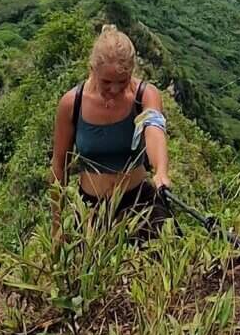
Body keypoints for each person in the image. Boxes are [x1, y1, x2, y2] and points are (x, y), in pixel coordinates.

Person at [51, 25, 172, 216]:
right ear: (92, 70)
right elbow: (59, 164)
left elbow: (154, 129)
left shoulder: (145, 95)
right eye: (106, 82)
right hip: (91, 211)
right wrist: (57, 225)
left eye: (122, 81)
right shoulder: (72, 103)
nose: (114, 90)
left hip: (140, 206)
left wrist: (161, 171)